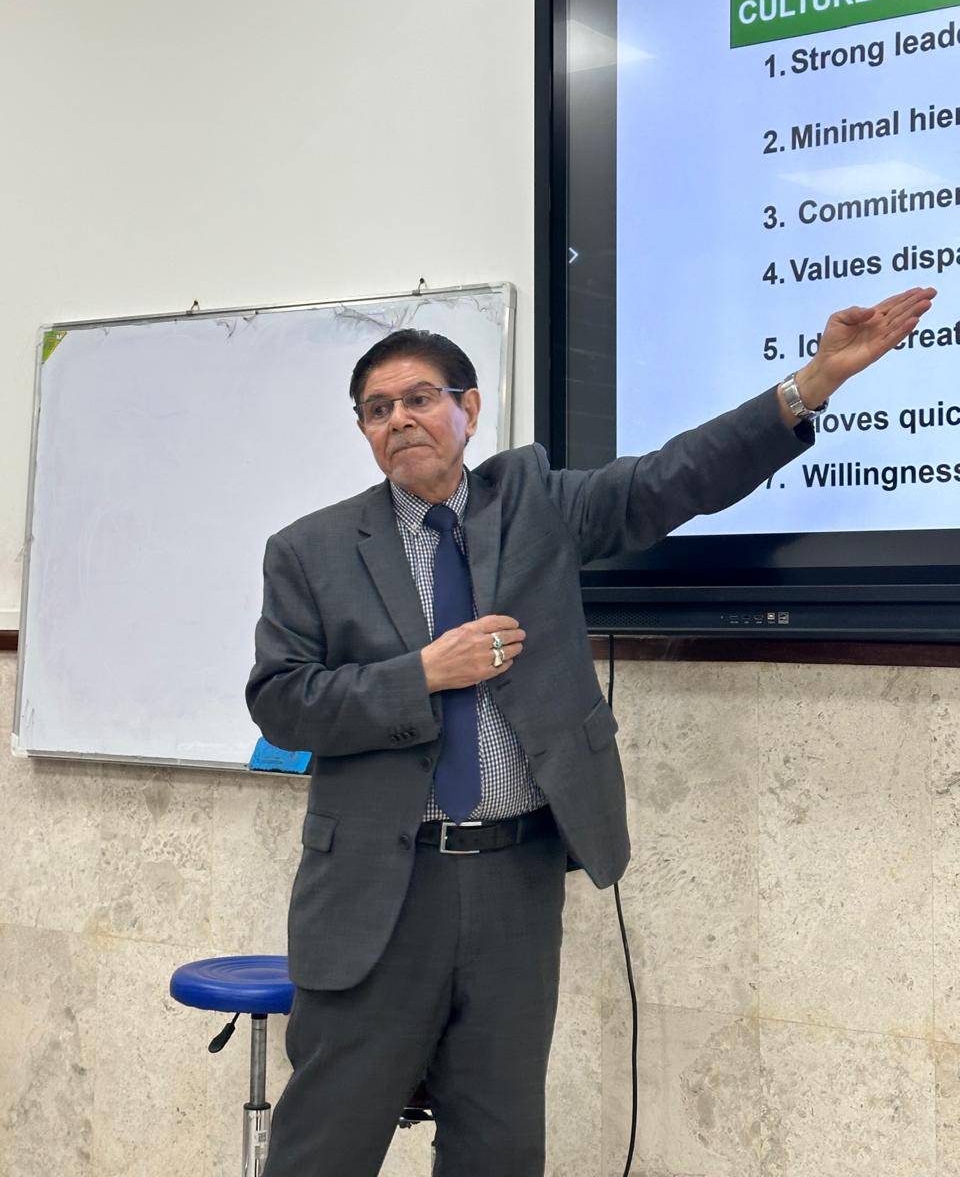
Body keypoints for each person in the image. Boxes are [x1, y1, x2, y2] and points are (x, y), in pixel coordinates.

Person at [246, 285, 936, 1177]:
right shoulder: (310, 550)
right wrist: (421, 674)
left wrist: (810, 385)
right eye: (378, 410)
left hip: (514, 877)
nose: (400, 420)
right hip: (381, 886)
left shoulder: (534, 503)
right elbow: (282, 701)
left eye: (419, 398)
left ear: (469, 409)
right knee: (324, 1148)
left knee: (499, 1146)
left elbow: (674, 477)